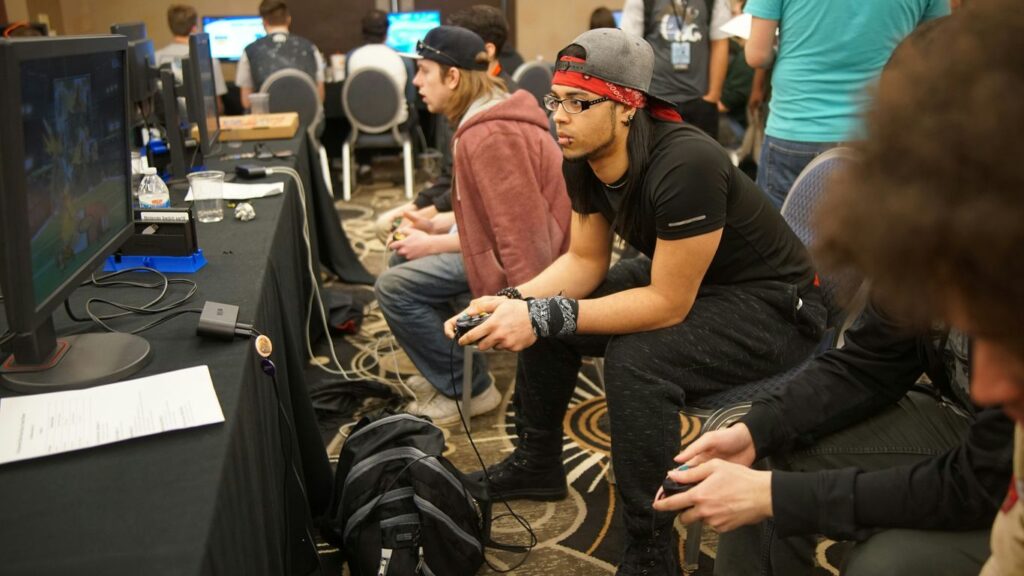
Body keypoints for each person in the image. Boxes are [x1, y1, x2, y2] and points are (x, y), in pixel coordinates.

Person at [655, 3, 1024, 574]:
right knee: (765, 454)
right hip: (959, 423)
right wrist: (759, 428)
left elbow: (980, 480)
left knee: (886, 562)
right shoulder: (933, 215)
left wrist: (783, 499)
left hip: (994, 468)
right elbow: (872, 360)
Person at [446, 28, 825, 575]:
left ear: (627, 108)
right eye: (556, 100)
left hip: (777, 307)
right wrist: (511, 300)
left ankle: (650, 546)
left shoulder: (686, 163)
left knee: (635, 358)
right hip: (696, 278)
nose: (560, 118)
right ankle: (538, 461)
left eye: (579, 103)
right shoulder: (581, 154)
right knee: (552, 316)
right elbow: (583, 263)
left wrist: (543, 314)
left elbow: (667, 304)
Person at [374, 26, 571, 425]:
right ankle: (451, 373)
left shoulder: (490, 134)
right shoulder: (485, 118)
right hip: (539, 250)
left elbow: (521, 237)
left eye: (424, 71)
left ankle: (474, 390)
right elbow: (491, 215)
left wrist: (524, 314)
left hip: (548, 265)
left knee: (394, 287)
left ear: (452, 77)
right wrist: (435, 227)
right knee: (401, 265)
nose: (416, 82)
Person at [743, 0, 948, 208]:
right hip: (879, 131)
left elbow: (757, 56)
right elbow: (936, 47)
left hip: (798, 124)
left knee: (783, 226)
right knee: (868, 225)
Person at [373, 5, 520, 240]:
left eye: (425, 71)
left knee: (395, 242)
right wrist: (420, 205)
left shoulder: (498, 112)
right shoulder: (461, 100)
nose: (416, 81)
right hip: (458, 206)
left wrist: (431, 220)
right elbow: (452, 175)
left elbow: (491, 209)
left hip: (483, 223)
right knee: (387, 227)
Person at [620, 0, 732, 139]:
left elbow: (720, 42)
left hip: (699, 102)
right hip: (655, 101)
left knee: (703, 152)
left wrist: (713, 96)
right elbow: (630, 47)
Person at [236, 0, 325, 111]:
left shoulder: (250, 51)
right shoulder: (310, 48)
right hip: (305, 119)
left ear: (264, 22)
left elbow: (246, 102)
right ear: (289, 19)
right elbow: (319, 97)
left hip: (268, 120)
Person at [155, 4, 227, 114]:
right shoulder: (209, 59)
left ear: (171, 26)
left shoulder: (156, 58)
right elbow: (217, 107)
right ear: (194, 28)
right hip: (201, 122)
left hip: (166, 120)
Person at [347, 10, 408, 124]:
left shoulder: (351, 58)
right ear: (386, 32)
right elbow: (411, 97)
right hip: (397, 125)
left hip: (361, 125)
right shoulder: (402, 59)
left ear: (363, 32)